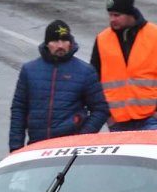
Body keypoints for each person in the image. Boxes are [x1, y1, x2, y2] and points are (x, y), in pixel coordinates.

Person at [90, 0, 157, 131]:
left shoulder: (156, 35)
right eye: (110, 15)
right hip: (118, 121)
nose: (112, 20)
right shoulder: (102, 40)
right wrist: (108, 115)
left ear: (130, 14)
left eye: (117, 15)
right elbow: (92, 82)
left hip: (152, 119)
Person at [9, 20, 108, 151]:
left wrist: (82, 138)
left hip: (70, 149)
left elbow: (100, 109)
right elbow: (19, 109)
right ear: (47, 44)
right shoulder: (29, 70)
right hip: (37, 146)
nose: (60, 45)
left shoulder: (85, 72)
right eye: (55, 41)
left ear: (70, 43)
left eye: (64, 41)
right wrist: (16, 148)